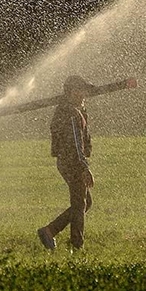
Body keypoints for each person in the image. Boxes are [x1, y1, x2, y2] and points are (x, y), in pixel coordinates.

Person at [38, 76, 95, 251]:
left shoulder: (70, 110)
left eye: (84, 90)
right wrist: (84, 168)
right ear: (70, 92)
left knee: (84, 203)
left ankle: (50, 230)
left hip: (68, 161)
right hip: (72, 163)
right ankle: (76, 245)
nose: (83, 94)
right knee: (79, 205)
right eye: (79, 90)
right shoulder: (71, 113)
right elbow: (76, 144)